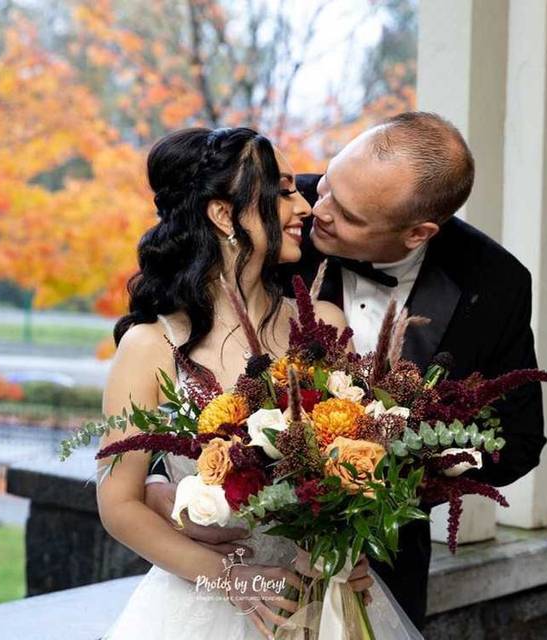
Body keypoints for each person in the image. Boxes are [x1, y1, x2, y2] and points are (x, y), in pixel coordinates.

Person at [144, 112, 547, 630]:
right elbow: (166, 338)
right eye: (328, 183)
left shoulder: (495, 284)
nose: (318, 211)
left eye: (350, 214)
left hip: (379, 572)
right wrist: (163, 488)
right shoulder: (272, 211)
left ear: (417, 232)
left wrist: (395, 469)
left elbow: (519, 439)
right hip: (235, 566)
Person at [98, 127, 413, 639]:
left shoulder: (325, 326)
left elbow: (370, 464)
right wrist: (234, 581)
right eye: (284, 191)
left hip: (327, 595)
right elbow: (119, 505)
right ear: (224, 215)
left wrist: (349, 545)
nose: (305, 207)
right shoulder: (149, 346)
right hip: (206, 605)